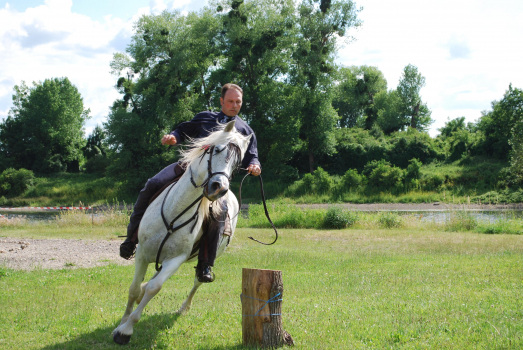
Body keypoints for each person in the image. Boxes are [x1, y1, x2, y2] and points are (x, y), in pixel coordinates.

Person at [119, 83, 261, 283]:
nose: (234, 105)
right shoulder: (205, 117)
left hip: (215, 182)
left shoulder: (246, 131)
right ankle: (131, 239)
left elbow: (252, 156)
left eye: (238, 101)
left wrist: (255, 165)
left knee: (219, 215)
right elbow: (183, 130)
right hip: (187, 168)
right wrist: (173, 137)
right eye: (230, 101)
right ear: (221, 101)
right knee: (151, 184)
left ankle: (205, 265)